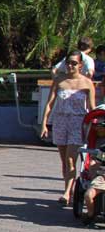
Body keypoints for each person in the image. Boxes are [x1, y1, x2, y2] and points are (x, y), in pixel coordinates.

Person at [41, 50, 96, 206]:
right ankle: (69, 189)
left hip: (77, 123)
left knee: (71, 159)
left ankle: (66, 194)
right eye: (68, 63)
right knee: (64, 161)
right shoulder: (59, 80)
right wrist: (44, 123)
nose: (70, 66)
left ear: (80, 65)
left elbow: (91, 107)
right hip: (60, 121)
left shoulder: (86, 83)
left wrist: (94, 123)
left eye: (74, 63)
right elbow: (50, 103)